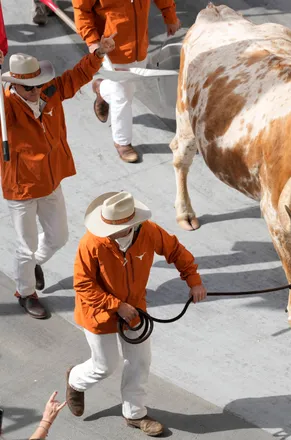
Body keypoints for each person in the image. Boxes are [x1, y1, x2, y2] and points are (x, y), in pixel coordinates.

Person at [66, 191, 207, 436]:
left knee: (140, 361)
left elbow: (176, 251)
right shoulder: (91, 243)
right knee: (104, 366)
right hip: (98, 313)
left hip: (135, 311)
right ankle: (75, 381)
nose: (105, 231)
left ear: (129, 226)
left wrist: (194, 281)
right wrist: (116, 305)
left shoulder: (150, 232)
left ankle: (135, 414)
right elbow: (83, 284)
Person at [0, 35, 115, 319]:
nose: (36, 90)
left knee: (59, 236)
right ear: (14, 84)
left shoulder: (50, 90)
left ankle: (34, 264)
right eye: (28, 87)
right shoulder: (3, 108)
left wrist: (98, 53)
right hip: (21, 188)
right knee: (25, 248)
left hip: (51, 181)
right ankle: (25, 292)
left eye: (38, 84)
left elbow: (78, 75)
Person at [72, 0, 182, 163]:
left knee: (128, 88)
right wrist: (92, 41)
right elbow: (82, 10)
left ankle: (101, 88)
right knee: (122, 95)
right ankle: (122, 142)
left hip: (139, 46)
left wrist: (170, 16)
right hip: (110, 48)